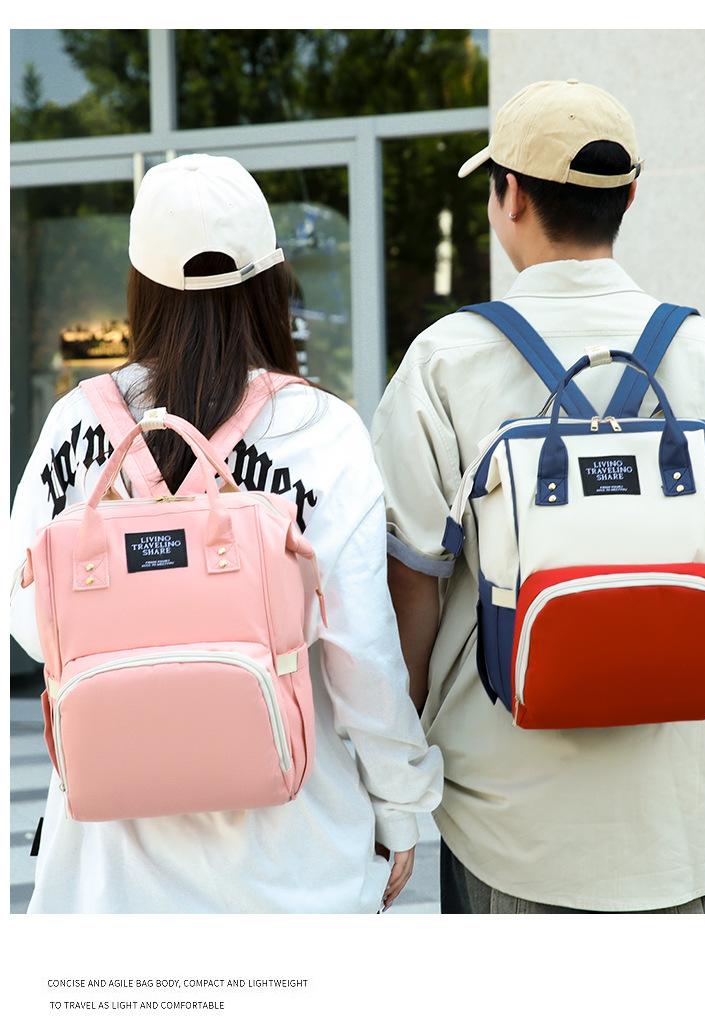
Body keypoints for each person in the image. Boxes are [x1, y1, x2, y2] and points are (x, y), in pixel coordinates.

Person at [10, 153, 442, 914]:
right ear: (269, 280)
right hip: (291, 865)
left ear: (139, 284)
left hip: (110, 881)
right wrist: (398, 802)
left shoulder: (75, 424)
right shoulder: (320, 428)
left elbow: (29, 627)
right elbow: (362, 651)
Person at [372, 80, 705, 914]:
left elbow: (409, 585)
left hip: (510, 824)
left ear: (509, 196)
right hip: (684, 822)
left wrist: (402, 759)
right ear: (628, 197)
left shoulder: (445, 364)